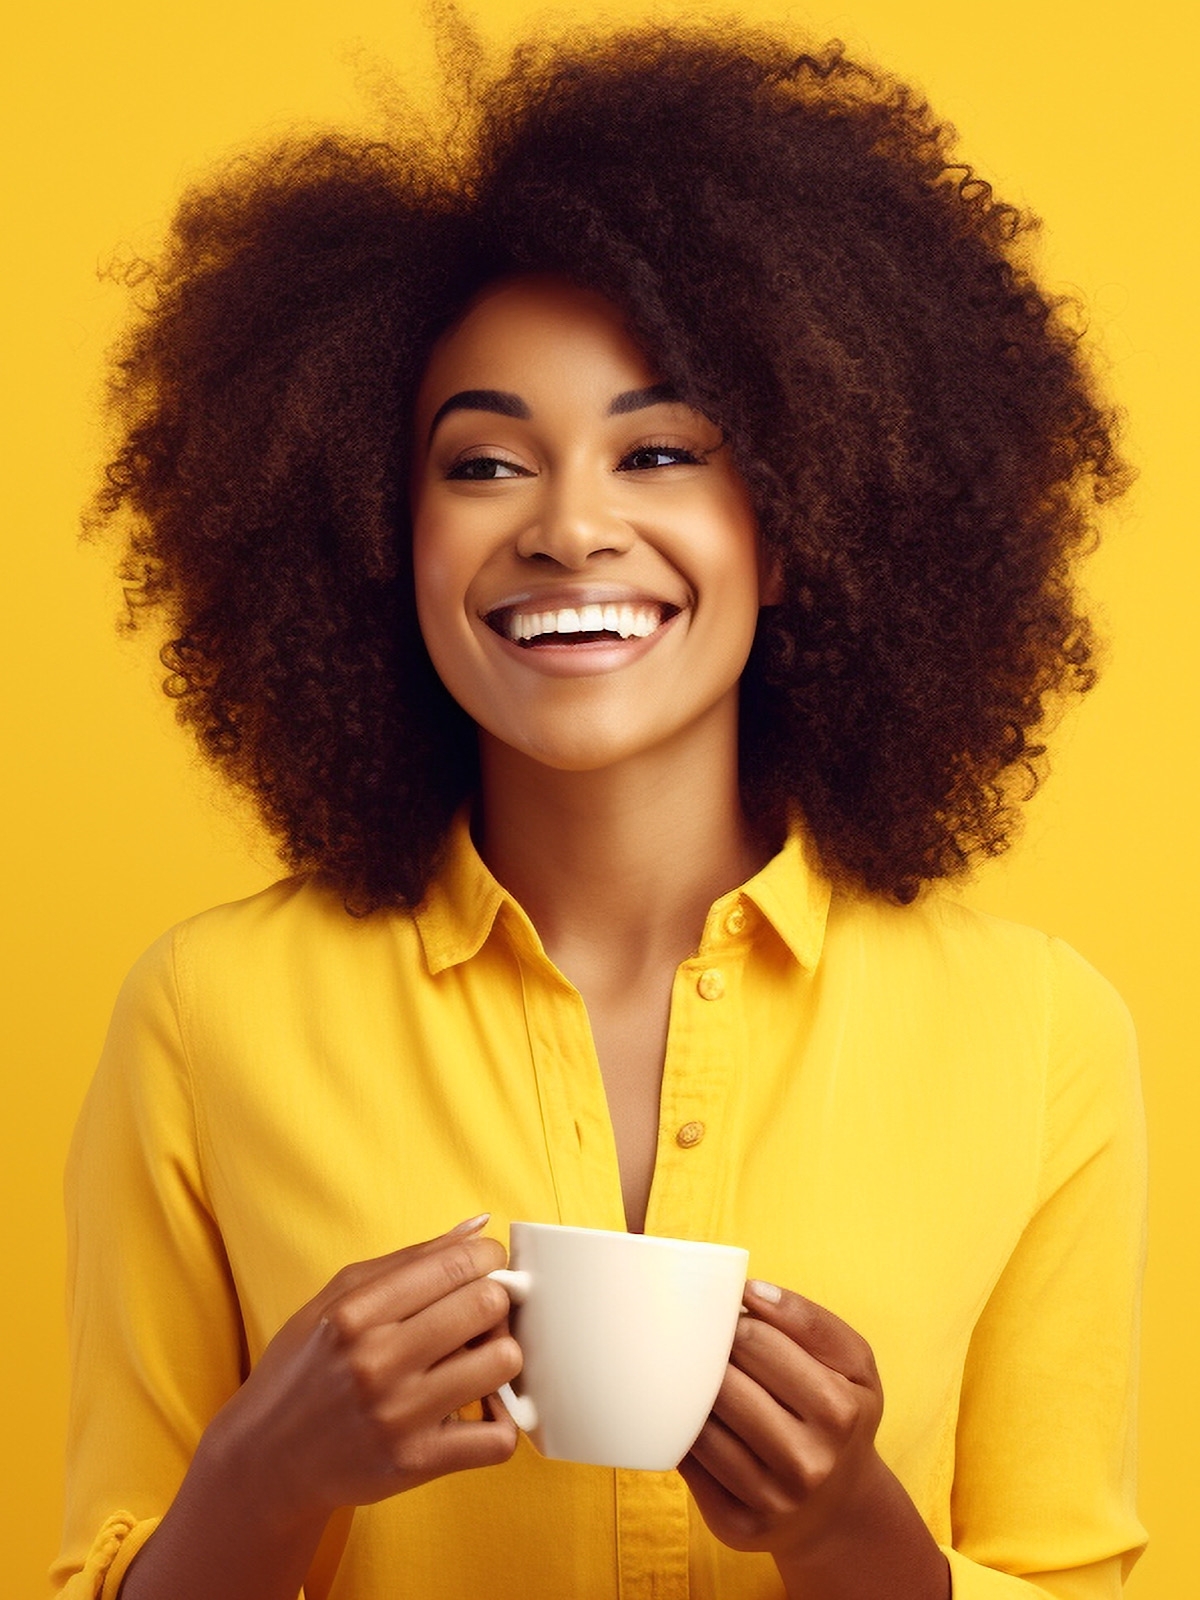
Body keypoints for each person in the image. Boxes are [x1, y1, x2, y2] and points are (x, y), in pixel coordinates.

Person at [54, 19, 1146, 1600]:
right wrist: (261, 1480)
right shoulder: (204, 1020)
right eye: (484, 465)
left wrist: (850, 1531)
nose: (570, 528)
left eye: (660, 451)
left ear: (809, 502)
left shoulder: (1042, 1035)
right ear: (380, 527)